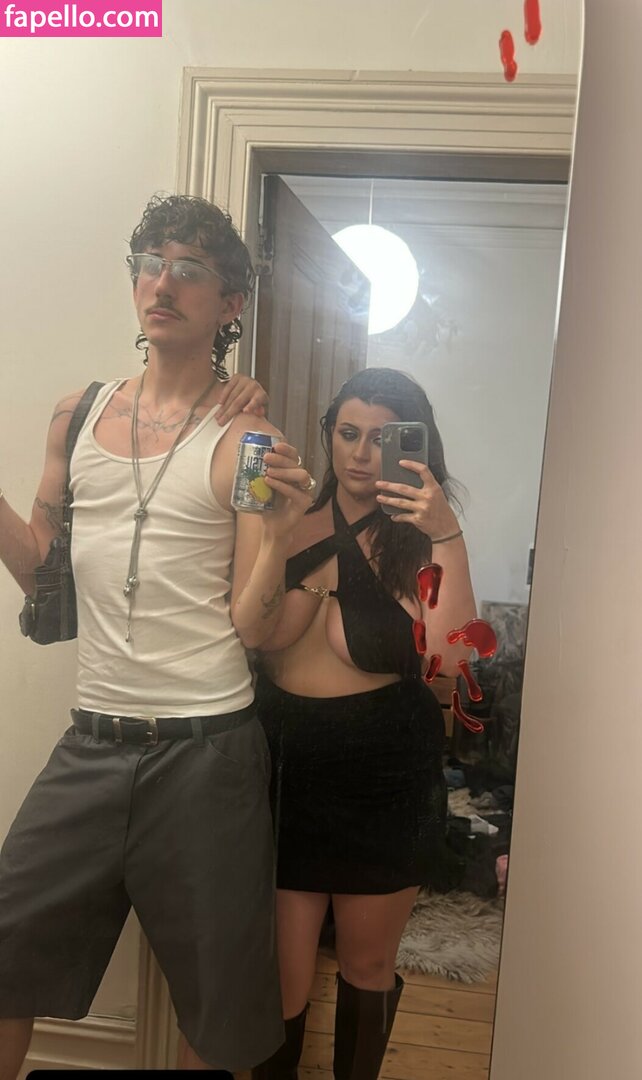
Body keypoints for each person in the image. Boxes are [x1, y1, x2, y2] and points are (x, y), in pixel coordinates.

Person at [0, 193, 316, 1078]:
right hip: (91, 743)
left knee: (217, 1009)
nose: (162, 283)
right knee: (5, 955)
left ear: (230, 304)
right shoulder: (76, 415)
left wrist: (280, 537)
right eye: (149, 263)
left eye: (189, 269)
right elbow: (44, 576)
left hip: (207, 754)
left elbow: (254, 625)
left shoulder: (248, 438)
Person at [251, 367, 477, 1080]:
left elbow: (451, 660)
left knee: (367, 963)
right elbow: (247, 630)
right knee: (282, 973)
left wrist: (446, 532)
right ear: (328, 435)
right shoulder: (288, 520)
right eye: (348, 433)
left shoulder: (420, 538)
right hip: (285, 770)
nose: (360, 452)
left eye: (381, 438)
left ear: (413, 444)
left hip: (386, 777)